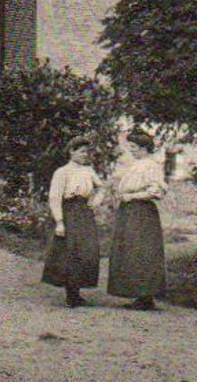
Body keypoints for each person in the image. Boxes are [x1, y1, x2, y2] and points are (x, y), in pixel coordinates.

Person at [108, 128, 167, 310]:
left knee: (142, 250)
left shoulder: (151, 165)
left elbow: (156, 191)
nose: (130, 150)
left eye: (133, 147)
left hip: (142, 212)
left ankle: (146, 295)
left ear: (143, 148)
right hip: (129, 211)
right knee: (130, 249)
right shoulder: (136, 165)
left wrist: (132, 197)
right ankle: (138, 293)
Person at [42, 136, 102, 308]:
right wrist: (60, 221)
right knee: (69, 252)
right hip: (68, 212)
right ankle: (71, 294)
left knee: (86, 250)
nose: (86, 155)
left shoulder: (89, 171)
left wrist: (95, 202)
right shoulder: (62, 172)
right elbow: (54, 197)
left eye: (87, 151)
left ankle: (77, 291)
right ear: (72, 151)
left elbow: (101, 187)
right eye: (82, 151)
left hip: (84, 212)